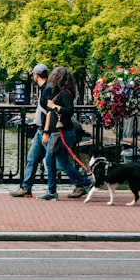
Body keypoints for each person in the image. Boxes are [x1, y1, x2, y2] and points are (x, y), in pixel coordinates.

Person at [42, 66, 93, 200]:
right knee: (52, 162)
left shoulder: (65, 93)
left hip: (62, 133)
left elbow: (69, 110)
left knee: (60, 163)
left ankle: (85, 182)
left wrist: (55, 107)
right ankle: (52, 190)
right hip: (57, 133)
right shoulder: (61, 93)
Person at [10, 64, 52, 197]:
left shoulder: (48, 89)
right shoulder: (44, 88)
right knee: (32, 159)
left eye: (33, 74)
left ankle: (82, 183)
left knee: (58, 162)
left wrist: (46, 132)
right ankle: (26, 188)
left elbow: (50, 111)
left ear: (36, 75)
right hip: (40, 131)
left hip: (45, 132)